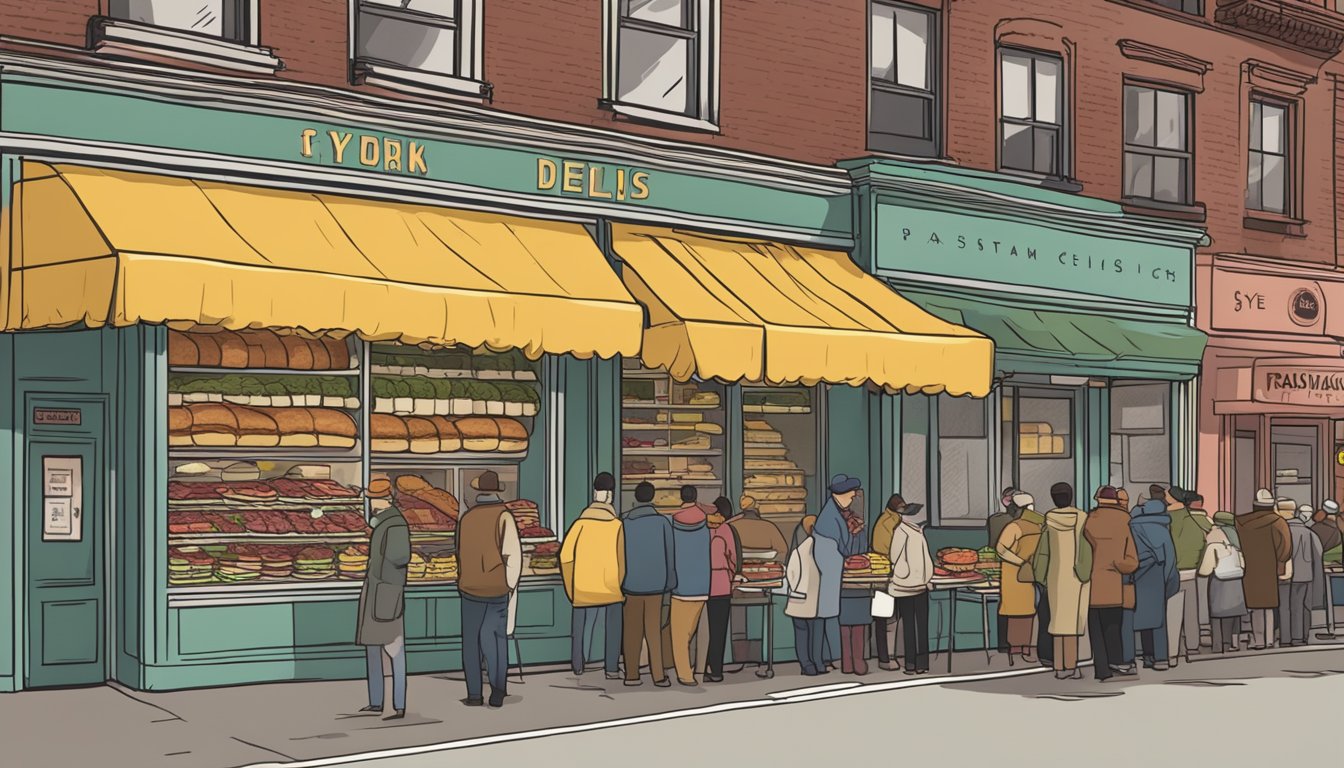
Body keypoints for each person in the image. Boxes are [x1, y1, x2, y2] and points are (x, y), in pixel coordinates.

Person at [457, 470, 522, 708]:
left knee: (471, 644)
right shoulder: (504, 517)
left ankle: (474, 694)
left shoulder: (467, 519)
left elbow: (459, 553)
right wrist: (511, 586)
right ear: (497, 491)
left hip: (469, 588)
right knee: (495, 641)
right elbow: (512, 556)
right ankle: (497, 692)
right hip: (496, 589)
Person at [560, 472, 625, 680]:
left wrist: (571, 588)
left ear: (594, 494)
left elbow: (565, 557)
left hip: (583, 587)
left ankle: (578, 665)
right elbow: (622, 560)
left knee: (579, 630)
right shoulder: (616, 526)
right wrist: (618, 582)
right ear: (610, 497)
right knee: (613, 630)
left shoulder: (580, 524)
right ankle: (612, 668)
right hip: (610, 587)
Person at [356, 476, 411, 719]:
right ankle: (376, 701)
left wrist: (379, 567)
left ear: (382, 500)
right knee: (372, 648)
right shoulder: (382, 523)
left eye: (372, 499)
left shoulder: (395, 524)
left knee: (394, 649)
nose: (370, 504)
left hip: (387, 591)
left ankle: (398, 704)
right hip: (376, 590)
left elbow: (400, 557)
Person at [620, 481, 675, 687]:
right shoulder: (663, 523)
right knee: (654, 631)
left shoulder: (624, 522)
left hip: (630, 585)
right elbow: (670, 555)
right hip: (656, 586)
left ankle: (631, 674)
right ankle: (658, 675)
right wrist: (670, 583)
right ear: (652, 498)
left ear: (636, 498)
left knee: (631, 632)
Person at [1033, 482, 1091, 680]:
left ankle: (1059, 667)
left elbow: (1043, 552)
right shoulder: (1082, 517)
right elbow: (1086, 547)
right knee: (1073, 623)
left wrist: (1040, 577)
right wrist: (1085, 571)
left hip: (1055, 577)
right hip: (1077, 577)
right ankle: (1072, 666)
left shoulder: (1049, 520)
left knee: (1057, 624)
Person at [813, 474, 868, 675]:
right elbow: (828, 558)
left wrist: (859, 534)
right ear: (841, 493)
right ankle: (842, 659)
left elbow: (860, 546)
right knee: (837, 619)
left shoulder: (848, 515)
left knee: (856, 616)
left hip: (853, 581)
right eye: (851, 492)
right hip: (837, 580)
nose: (854, 495)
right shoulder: (828, 519)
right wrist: (848, 562)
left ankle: (855, 660)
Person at [1083, 486, 1137, 681]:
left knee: (1095, 628)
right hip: (1113, 583)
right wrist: (1117, 564)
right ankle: (1116, 661)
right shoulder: (1125, 521)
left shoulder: (1088, 520)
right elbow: (1131, 561)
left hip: (1090, 583)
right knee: (1113, 625)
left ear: (1097, 499)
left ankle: (1101, 669)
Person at [1237, 489, 1293, 650]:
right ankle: (1269, 639)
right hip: (1270, 568)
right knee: (1268, 606)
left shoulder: (1240, 522)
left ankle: (1258, 639)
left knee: (1255, 606)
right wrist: (1281, 562)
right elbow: (1285, 548)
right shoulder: (1278, 522)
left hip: (1249, 569)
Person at [1131, 488, 1179, 671]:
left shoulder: (1133, 526)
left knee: (1140, 617)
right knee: (1159, 620)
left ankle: (1146, 655)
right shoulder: (1162, 529)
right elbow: (1170, 558)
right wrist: (1168, 580)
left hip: (1138, 575)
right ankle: (1160, 658)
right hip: (1157, 576)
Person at [995, 492, 1045, 663]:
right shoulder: (1035, 526)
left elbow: (1001, 549)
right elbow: (1001, 549)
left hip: (1022, 573)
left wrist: (1022, 562)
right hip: (1019, 574)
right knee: (1021, 611)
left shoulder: (1015, 527)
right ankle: (1018, 648)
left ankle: (1023, 647)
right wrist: (1023, 562)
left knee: (1025, 611)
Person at [669, 486, 711, 685]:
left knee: (679, 635)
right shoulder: (707, 522)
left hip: (680, 585)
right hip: (702, 586)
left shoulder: (671, 522)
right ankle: (693, 669)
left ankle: (685, 674)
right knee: (691, 631)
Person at [886, 501, 933, 674]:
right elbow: (894, 556)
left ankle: (916, 664)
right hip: (909, 584)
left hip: (913, 584)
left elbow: (893, 556)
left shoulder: (913, 531)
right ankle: (916, 663)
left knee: (915, 625)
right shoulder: (903, 531)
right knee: (916, 625)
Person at [1167, 487, 1211, 663]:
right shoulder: (1193, 520)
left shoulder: (1166, 520)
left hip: (1172, 572)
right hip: (1191, 572)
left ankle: (1173, 650)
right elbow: (1201, 544)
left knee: (1171, 613)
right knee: (1191, 611)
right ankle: (1192, 646)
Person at [1198, 513, 1246, 654]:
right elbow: (1243, 564)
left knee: (1217, 614)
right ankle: (1231, 642)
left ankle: (1218, 645)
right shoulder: (1237, 539)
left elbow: (1205, 570)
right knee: (1232, 613)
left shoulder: (1213, 539)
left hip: (1218, 582)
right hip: (1236, 580)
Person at [704, 497, 740, 683]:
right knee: (718, 630)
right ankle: (716, 670)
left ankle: (702, 667)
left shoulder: (703, 529)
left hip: (703, 584)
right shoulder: (726, 530)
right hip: (722, 586)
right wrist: (732, 575)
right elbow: (733, 557)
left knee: (704, 630)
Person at [785, 515, 825, 676]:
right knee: (815, 633)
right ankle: (818, 663)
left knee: (802, 633)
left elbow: (791, 573)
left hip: (799, 599)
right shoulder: (820, 547)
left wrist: (795, 588)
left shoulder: (799, 549)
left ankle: (806, 665)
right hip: (815, 599)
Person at [1280, 505, 1324, 648]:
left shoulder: (1284, 531)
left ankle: (1286, 638)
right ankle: (1301, 637)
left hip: (1285, 576)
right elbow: (1318, 554)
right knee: (1303, 606)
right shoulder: (1309, 533)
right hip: (1306, 575)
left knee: (1285, 607)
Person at [872, 494, 906, 670]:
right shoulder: (888, 522)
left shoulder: (892, 519)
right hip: (885, 575)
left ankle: (887, 657)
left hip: (887, 574)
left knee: (888, 618)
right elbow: (888, 548)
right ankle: (885, 658)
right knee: (886, 619)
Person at [988, 488, 1022, 654]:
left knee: (1004, 606)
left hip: (997, 567)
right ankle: (1018, 646)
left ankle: (1003, 644)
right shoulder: (1019, 522)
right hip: (1017, 568)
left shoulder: (995, 519)